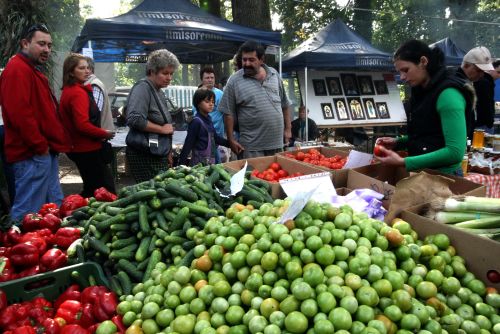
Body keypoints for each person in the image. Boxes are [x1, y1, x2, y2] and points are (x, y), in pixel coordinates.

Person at [0, 24, 71, 221]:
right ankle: (15, 249)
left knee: (51, 210)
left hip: (41, 152)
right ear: (25, 43)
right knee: (27, 213)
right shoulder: (17, 70)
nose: (47, 49)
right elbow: (20, 114)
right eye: (41, 44)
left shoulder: (28, 69)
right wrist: (40, 146)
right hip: (31, 153)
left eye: (49, 45)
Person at [375, 39, 474, 175]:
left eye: (405, 70)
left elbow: (455, 152)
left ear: (423, 61)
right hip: (424, 175)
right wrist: (398, 142)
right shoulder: (422, 90)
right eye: (399, 72)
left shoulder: (448, 94)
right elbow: (429, 136)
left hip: (445, 178)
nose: (402, 77)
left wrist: (404, 162)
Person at [219, 40, 291, 159]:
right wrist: (231, 139)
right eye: (244, 59)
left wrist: (288, 129)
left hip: (277, 144)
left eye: (251, 60)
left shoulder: (274, 74)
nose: (246, 63)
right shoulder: (234, 81)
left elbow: (285, 104)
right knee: (254, 177)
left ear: (262, 59)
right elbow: (228, 113)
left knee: (275, 177)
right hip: (251, 148)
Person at [59, 53, 115, 197]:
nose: (87, 71)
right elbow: (82, 125)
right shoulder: (77, 93)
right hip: (87, 149)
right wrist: (105, 133)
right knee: (102, 191)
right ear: (71, 72)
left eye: (88, 68)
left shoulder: (69, 90)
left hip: (80, 148)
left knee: (93, 189)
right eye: (82, 68)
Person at [125, 49, 179, 182]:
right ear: (152, 71)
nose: (169, 78)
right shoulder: (142, 88)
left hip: (156, 152)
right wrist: (161, 129)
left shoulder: (158, 90)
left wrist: (167, 152)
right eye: (165, 73)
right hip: (144, 154)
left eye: (171, 74)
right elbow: (134, 118)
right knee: (153, 193)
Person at [179, 88, 230, 166]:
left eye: (213, 102)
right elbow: (188, 144)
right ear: (198, 103)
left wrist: (231, 144)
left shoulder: (208, 119)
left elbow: (215, 138)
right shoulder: (196, 122)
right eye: (207, 101)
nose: (211, 104)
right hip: (198, 165)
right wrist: (181, 165)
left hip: (210, 162)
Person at [192, 67, 229, 162]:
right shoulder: (198, 94)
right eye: (207, 78)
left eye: (212, 77)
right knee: (210, 160)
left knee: (214, 160)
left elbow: (226, 114)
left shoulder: (220, 94)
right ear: (202, 79)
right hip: (203, 135)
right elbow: (195, 114)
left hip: (217, 135)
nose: (210, 80)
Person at [457, 46, 495, 138]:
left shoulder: (471, 82)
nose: (482, 74)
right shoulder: (456, 83)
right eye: (478, 70)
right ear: (466, 65)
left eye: (483, 71)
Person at [85, 57, 115, 132]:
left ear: (89, 70)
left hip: (98, 135)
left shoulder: (94, 85)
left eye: (84, 68)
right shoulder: (89, 84)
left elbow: (94, 116)